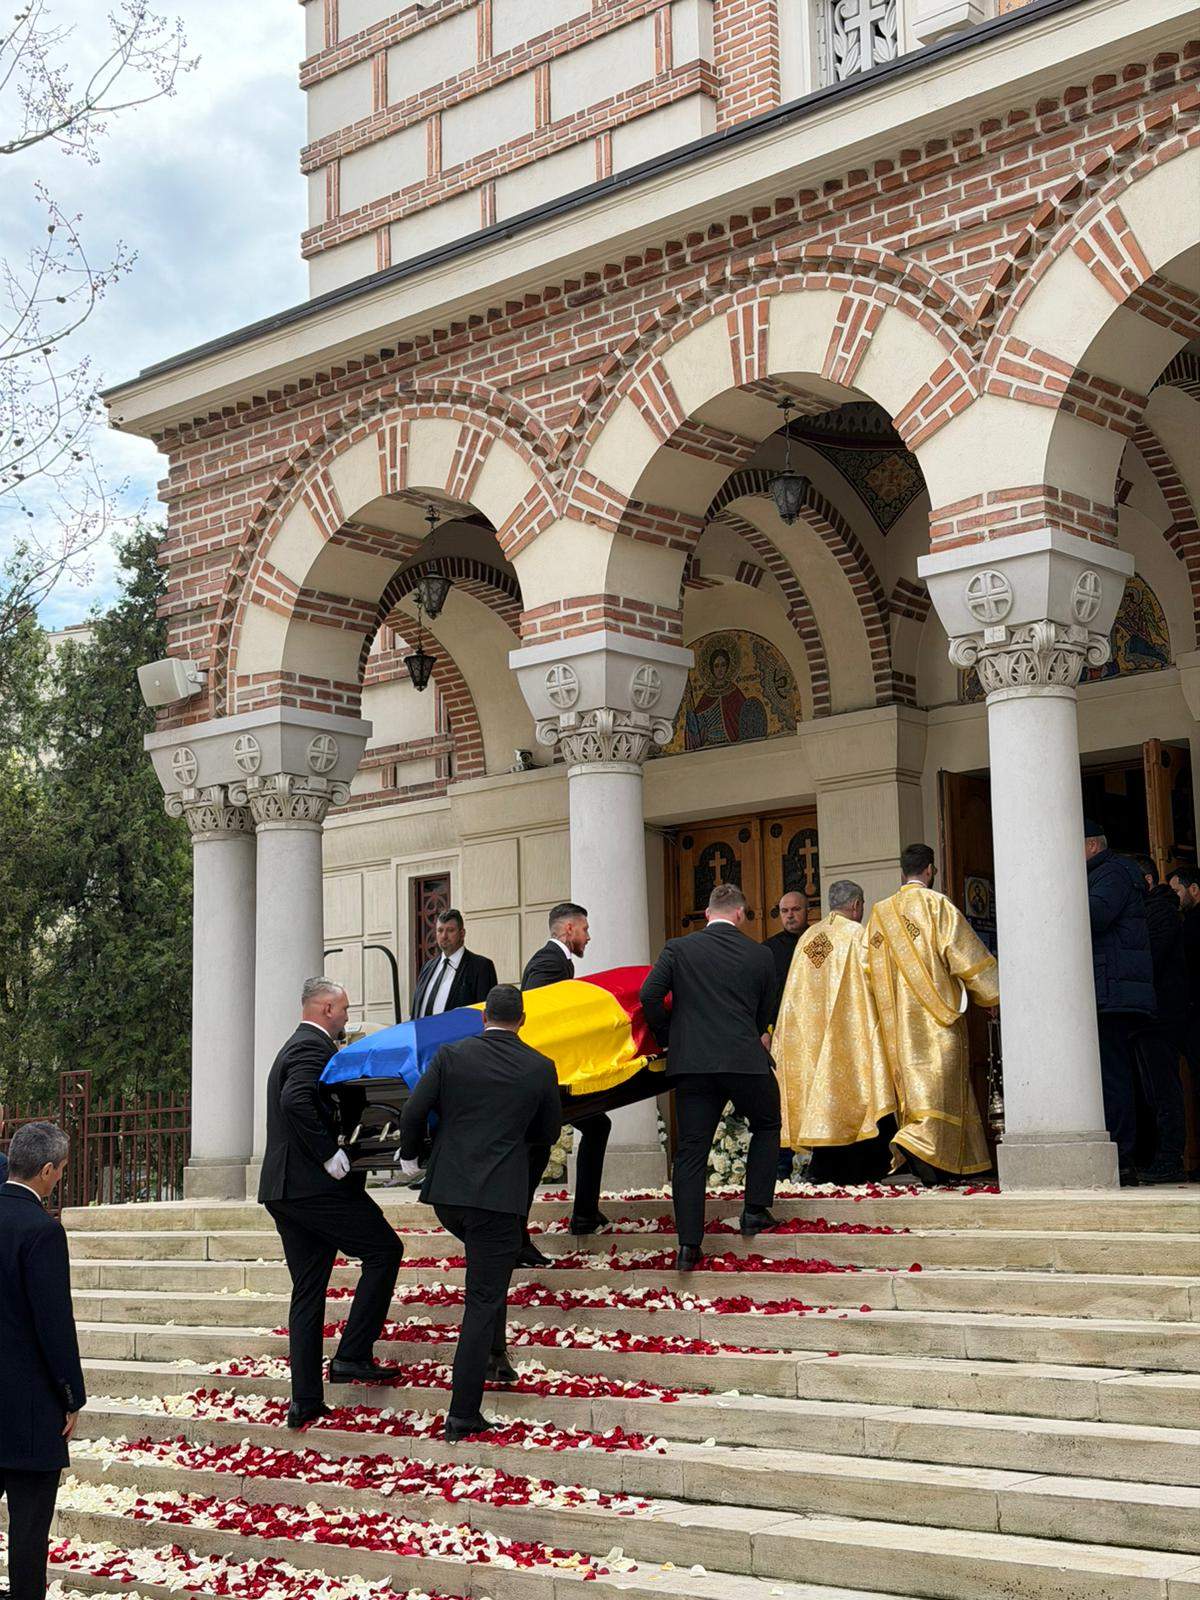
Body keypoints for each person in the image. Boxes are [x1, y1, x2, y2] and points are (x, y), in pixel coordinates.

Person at [396, 984, 561, 1442]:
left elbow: (414, 1111)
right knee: (483, 1300)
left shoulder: (451, 1055)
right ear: (522, 1020)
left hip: (450, 1197)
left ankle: (494, 1356)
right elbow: (546, 1134)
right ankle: (463, 1412)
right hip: (496, 1200)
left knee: (488, 1279)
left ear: (483, 1017)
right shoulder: (540, 1067)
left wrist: (412, 1156)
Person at [258, 976, 406, 1428]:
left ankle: (304, 1400)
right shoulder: (310, 1047)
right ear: (325, 1009)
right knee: (385, 1250)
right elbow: (296, 1099)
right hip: (311, 1188)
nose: (346, 1017)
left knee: (308, 1290)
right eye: (342, 1009)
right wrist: (330, 1154)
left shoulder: (294, 1045)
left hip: (286, 1189)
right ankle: (352, 1355)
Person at [641, 883, 781, 1269]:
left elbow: (650, 995)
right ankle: (754, 1210)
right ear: (739, 914)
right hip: (744, 1060)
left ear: (707, 913)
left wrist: (671, 1036)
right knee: (767, 1123)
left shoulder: (678, 948)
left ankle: (689, 1246)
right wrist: (749, 1035)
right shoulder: (761, 954)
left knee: (690, 1151)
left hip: (694, 1065)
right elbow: (765, 1009)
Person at [865, 844, 998, 1184]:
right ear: (929, 870)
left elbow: (866, 966)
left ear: (902, 872)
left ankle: (937, 1161)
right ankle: (916, 1144)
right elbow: (963, 954)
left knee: (915, 1089)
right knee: (940, 1088)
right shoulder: (936, 904)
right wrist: (993, 996)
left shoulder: (880, 913)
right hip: (935, 1015)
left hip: (896, 1022)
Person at [1, 1123, 86, 1600]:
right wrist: (71, 1395)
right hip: (29, 1408)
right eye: (61, 1171)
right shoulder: (42, 1231)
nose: (59, 1179)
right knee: (29, 1532)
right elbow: (55, 1325)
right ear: (47, 1169)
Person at [772, 879, 897, 1185]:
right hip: (849, 1034)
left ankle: (825, 1166)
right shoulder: (858, 934)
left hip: (809, 1036)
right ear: (856, 905)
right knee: (856, 1095)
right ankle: (864, 1165)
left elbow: (793, 993)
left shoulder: (808, 938)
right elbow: (879, 980)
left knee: (822, 1095)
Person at [520, 902, 609, 1252]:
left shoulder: (558, 962)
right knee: (535, 1150)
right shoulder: (548, 962)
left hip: (555, 1073)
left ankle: (585, 1212)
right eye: (584, 929)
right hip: (547, 1077)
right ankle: (516, 1235)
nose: (588, 936)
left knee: (597, 1125)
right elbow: (541, 1018)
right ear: (568, 929)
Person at [1084, 824, 1155, 1186]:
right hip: (1110, 988)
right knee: (1114, 1074)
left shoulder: (1109, 872)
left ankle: (1123, 1156)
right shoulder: (1109, 871)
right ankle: (1124, 1152)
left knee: (1113, 1076)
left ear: (1093, 844)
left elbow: (1094, 916)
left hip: (1113, 991)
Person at [1129, 857, 1188, 1184]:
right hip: (1146, 1016)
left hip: (1161, 1016)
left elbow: (1149, 958)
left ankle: (1170, 1158)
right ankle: (1159, 1156)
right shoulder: (1149, 912)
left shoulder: (1162, 912)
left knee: (1165, 1090)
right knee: (1153, 1091)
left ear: (1147, 881)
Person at [765, 887, 807, 1179]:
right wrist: (763, 1030)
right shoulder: (768, 949)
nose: (790, 916)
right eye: (784, 911)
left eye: (796, 910)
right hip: (779, 1036)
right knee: (782, 1100)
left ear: (808, 912)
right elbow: (763, 994)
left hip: (812, 1035)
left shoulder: (817, 942)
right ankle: (781, 1166)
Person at [410, 909, 498, 1018]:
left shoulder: (481, 967)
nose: (444, 936)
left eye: (450, 930)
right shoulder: (427, 968)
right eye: (440, 930)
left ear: (462, 933)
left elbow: (487, 1015)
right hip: (423, 1034)